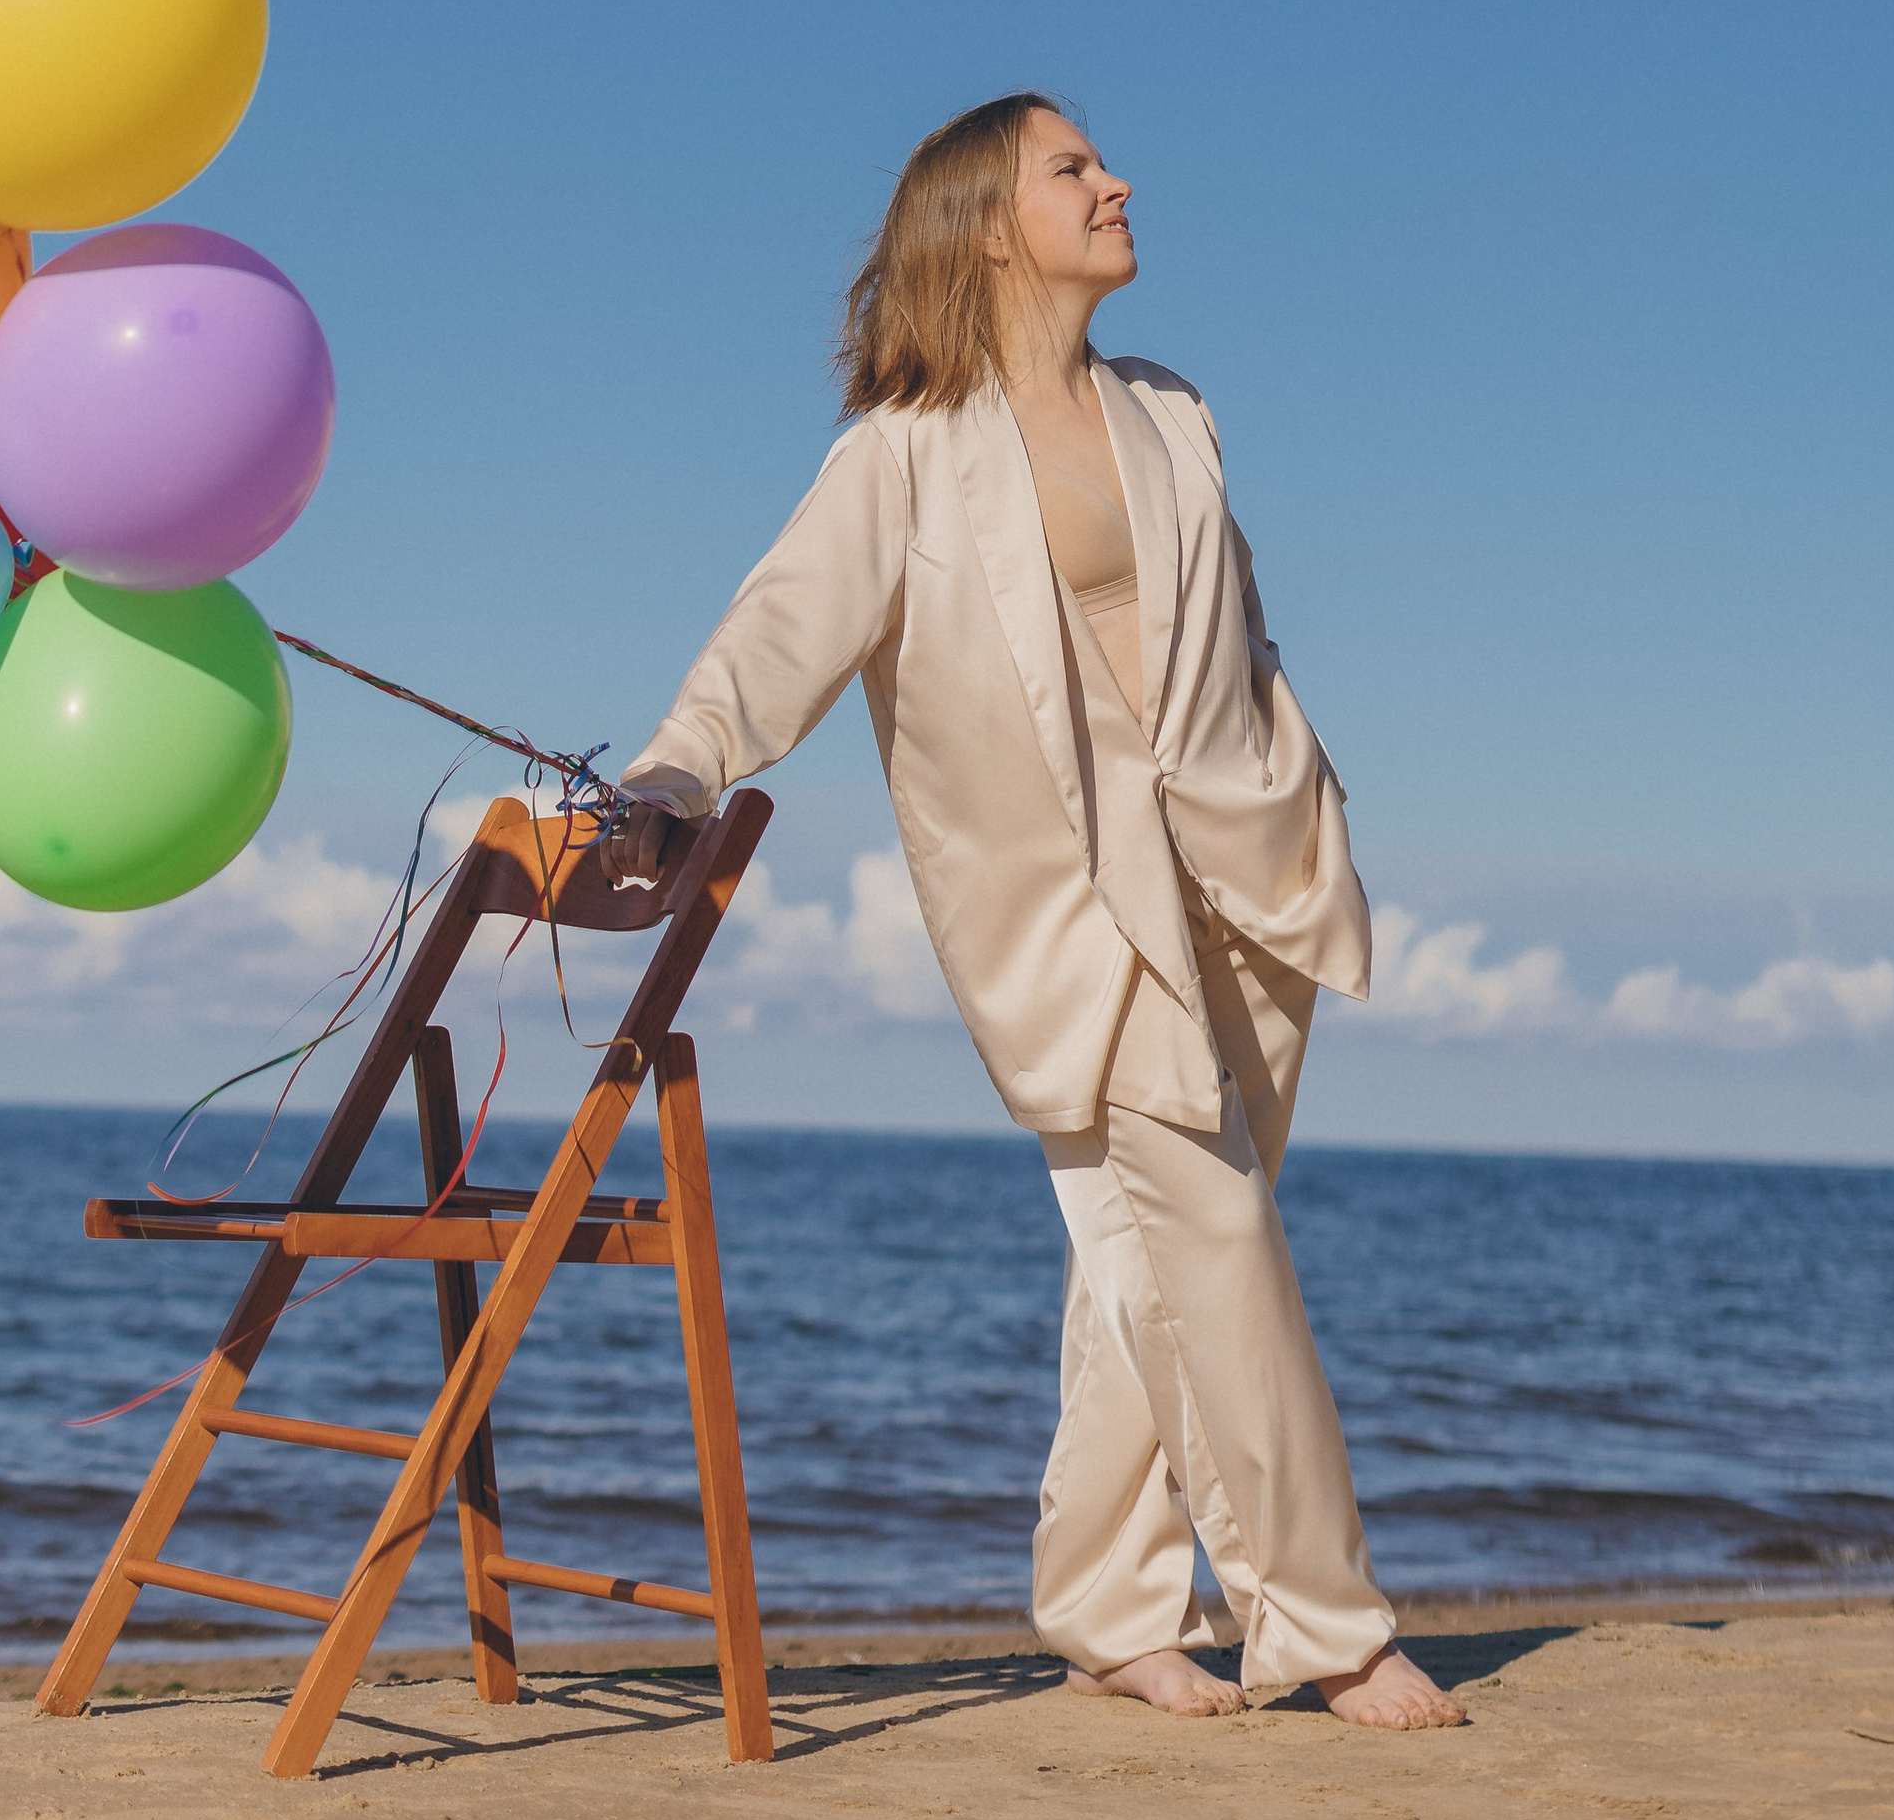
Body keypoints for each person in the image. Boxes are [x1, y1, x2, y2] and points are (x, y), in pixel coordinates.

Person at [599, 92, 1464, 1729]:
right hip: (1078, 906)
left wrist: (1293, 787)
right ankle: (1326, 1624)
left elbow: (1239, 635)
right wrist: (676, 774)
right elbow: (771, 641)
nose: (1117, 178)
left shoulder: (1174, 408)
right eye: (1075, 167)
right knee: (1211, 1225)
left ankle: (1107, 1607)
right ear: (989, 223)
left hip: (1251, 866)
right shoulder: (904, 454)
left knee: (1150, 1253)